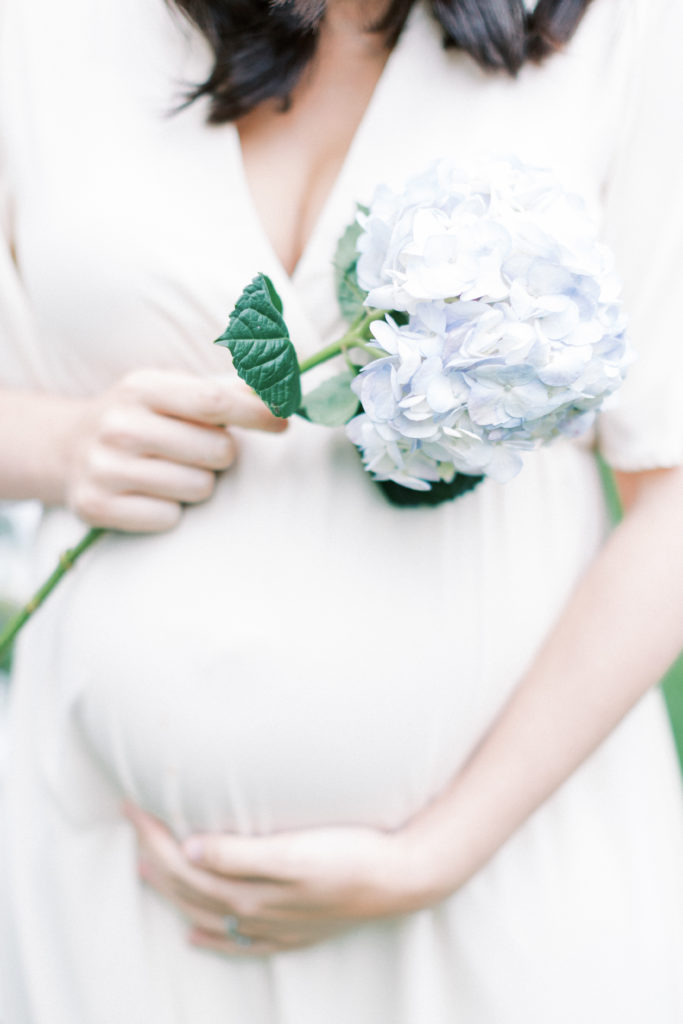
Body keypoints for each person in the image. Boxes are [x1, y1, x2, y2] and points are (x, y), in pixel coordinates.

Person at [1, 0, 682, 1020]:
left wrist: (435, 853)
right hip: (113, 899)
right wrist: (60, 447)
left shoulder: (621, 26)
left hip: (505, 905)